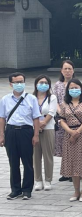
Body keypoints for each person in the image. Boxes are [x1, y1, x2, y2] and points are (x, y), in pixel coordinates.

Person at [0, 73, 41, 201]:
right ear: (10, 84)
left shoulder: (31, 99)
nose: (19, 84)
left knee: (27, 162)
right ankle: (15, 190)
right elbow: (2, 118)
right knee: (13, 162)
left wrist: (36, 135)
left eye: (21, 81)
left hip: (26, 131)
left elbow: (36, 118)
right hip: (11, 131)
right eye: (16, 82)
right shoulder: (5, 99)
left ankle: (27, 190)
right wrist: (1, 134)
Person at [58, 79, 82, 202]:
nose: (74, 90)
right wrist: (70, 131)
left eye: (76, 87)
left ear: (81, 89)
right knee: (72, 163)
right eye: (72, 88)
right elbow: (62, 120)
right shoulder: (64, 103)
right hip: (69, 136)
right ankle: (76, 191)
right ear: (68, 90)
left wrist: (77, 132)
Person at [33, 75, 57, 192]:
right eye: (41, 82)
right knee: (36, 156)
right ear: (36, 84)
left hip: (48, 128)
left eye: (45, 83)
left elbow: (52, 112)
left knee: (48, 156)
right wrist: (36, 126)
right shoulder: (31, 97)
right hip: (34, 130)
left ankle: (48, 180)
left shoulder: (52, 97)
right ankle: (38, 180)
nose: (43, 85)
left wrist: (43, 123)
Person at [53, 60, 75, 182]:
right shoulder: (57, 85)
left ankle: (74, 172)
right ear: (61, 71)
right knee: (63, 145)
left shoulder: (76, 84)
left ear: (73, 70)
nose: (67, 71)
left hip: (73, 119)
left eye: (69, 68)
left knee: (72, 144)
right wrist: (61, 112)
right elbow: (54, 100)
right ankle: (66, 172)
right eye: (65, 69)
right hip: (61, 119)